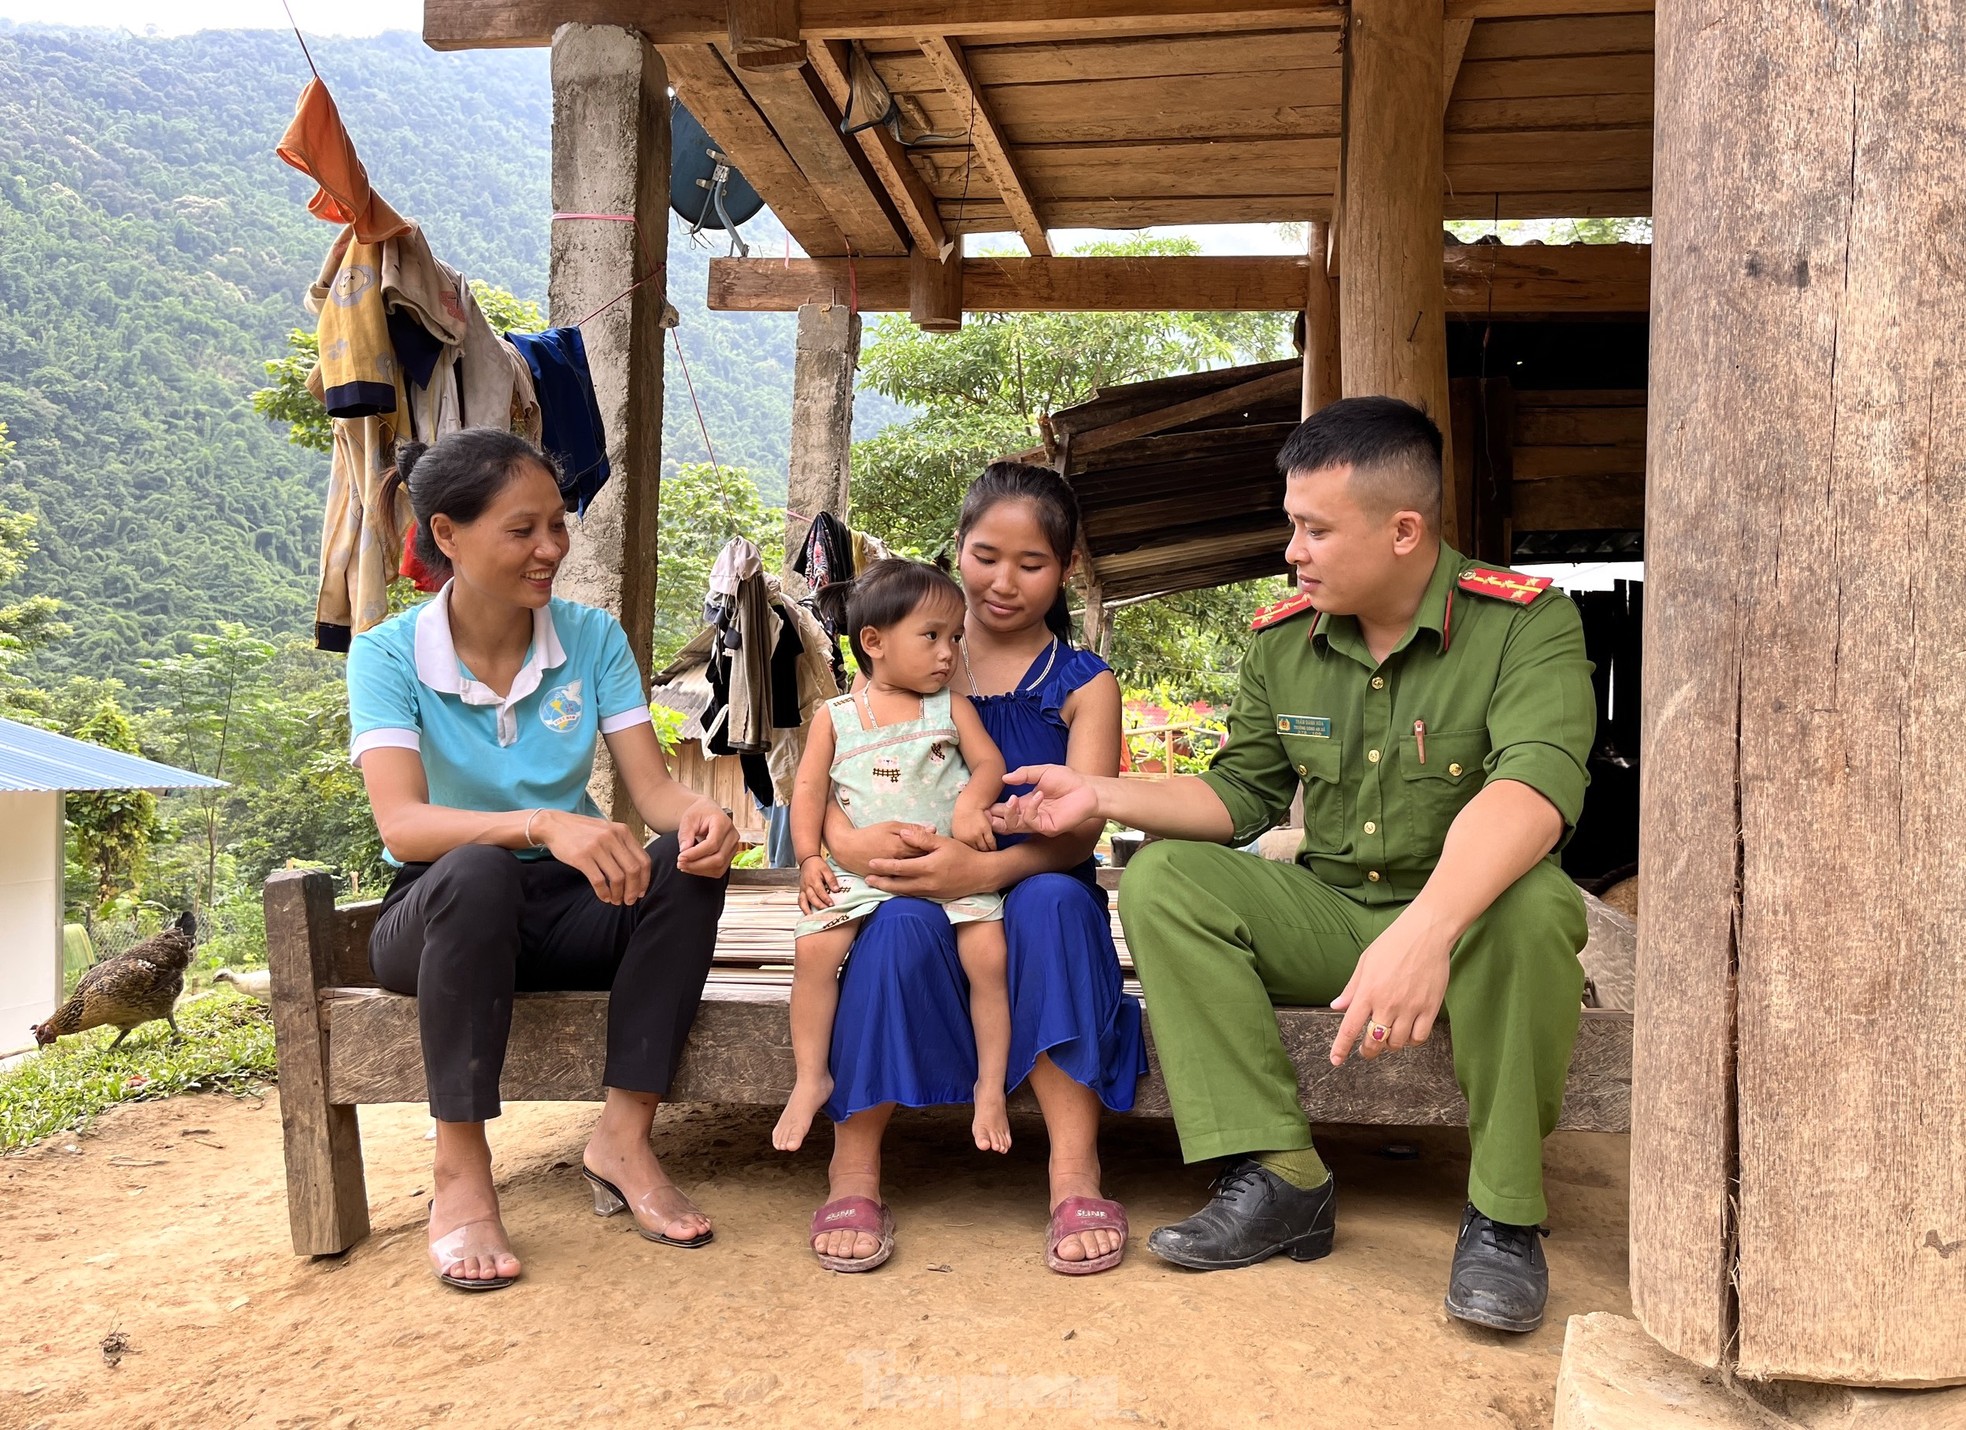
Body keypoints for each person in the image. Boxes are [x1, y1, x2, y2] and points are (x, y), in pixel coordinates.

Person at [994, 397, 1594, 1333]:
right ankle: (1281, 1178)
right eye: (1292, 527)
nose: (1293, 552)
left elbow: (1534, 791)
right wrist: (1100, 795)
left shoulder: (1526, 624)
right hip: (1332, 910)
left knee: (1535, 907)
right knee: (1165, 879)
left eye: (1314, 530)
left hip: (1465, 920)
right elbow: (1240, 797)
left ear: (1404, 530)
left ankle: (1506, 1217)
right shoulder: (1284, 640)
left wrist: (1427, 932)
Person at [347, 428, 738, 1292]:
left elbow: (653, 791)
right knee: (480, 873)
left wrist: (702, 816)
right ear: (446, 535)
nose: (551, 549)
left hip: (568, 906)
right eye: (523, 531)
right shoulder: (386, 654)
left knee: (684, 865)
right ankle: (460, 1173)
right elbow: (406, 826)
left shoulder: (591, 638)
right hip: (440, 912)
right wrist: (539, 823)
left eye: (557, 526)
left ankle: (624, 1139)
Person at [807, 462, 1146, 1276]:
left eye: (1032, 565)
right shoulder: (900, 659)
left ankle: (1073, 1171)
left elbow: (1079, 834)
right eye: (986, 555)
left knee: (1056, 906)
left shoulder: (1084, 684)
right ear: (958, 547)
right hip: (912, 882)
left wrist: (981, 872)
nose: (1003, 582)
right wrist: (841, 845)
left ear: (1066, 570)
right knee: (897, 923)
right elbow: (833, 769)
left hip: (1033, 880)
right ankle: (852, 1166)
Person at [776, 559, 1013, 1167]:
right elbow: (808, 791)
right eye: (931, 636)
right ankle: (811, 1077)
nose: (948, 653)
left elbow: (988, 766)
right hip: (862, 875)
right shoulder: (835, 718)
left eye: (955, 638)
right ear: (874, 643)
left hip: (951, 869)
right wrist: (808, 856)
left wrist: (970, 808)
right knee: (814, 953)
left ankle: (990, 1086)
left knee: (989, 961)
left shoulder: (952, 710)